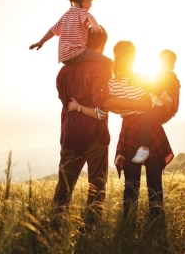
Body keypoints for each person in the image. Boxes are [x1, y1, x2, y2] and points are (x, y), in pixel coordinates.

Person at [52, 28, 151, 230]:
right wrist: (139, 104)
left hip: (69, 134)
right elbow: (104, 101)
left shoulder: (63, 70)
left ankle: (55, 226)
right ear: (102, 45)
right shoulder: (99, 68)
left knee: (64, 185)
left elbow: (63, 99)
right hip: (93, 135)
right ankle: (90, 229)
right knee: (96, 186)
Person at [68, 41, 174, 220]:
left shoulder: (111, 85)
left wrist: (79, 108)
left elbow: (101, 111)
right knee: (155, 184)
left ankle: (129, 224)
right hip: (151, 129)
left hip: (131, 131)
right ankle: (156, 224)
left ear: (115, 56)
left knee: (131, 184)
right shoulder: (144, 79)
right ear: (133, 58)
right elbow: (163, 100)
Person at [29, 0, 111, 65]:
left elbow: (52, 31)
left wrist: (41, 42)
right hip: (77, 53)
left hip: (64, 57)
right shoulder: (82, 12)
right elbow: (90, 17)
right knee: (108, 61)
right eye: (91, 1)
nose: (91, 5)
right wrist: (95, 25)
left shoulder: (65, 16)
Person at [131, 49, 181, 163]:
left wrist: (144, 85)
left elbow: (165, 96)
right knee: (147, 121)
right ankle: (156, 150)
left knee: (145, 120)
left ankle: (144, 148)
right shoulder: (165, 76)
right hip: (160, 108)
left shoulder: (168, 77)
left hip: (162, 108)